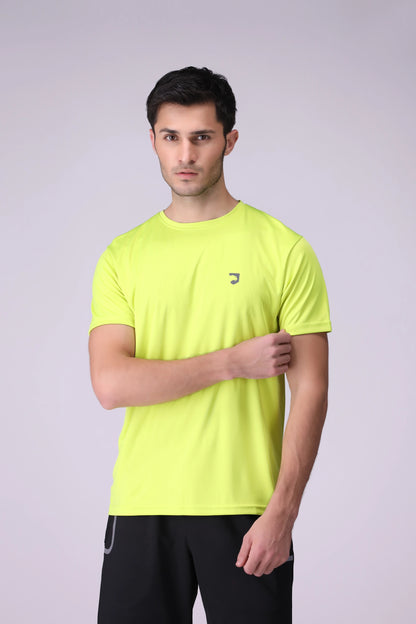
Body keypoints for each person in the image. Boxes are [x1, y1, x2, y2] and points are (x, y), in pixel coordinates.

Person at [89, 66, 331, 624]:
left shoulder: (284, 250)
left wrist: (283, 514)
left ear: (229, 140)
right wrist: (231, 362)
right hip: (143, 506)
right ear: (153, 140)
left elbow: (312, 392)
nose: (185, 154)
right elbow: (110, 384)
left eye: (201, 136)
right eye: (170, 137)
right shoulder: (123, 256)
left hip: (248, 511)